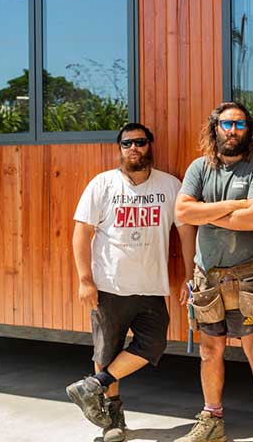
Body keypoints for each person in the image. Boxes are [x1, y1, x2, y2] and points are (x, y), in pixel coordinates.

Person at [66, 123, 196, 442]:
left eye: (139, 142)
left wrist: (191, 274)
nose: (133, 148)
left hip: (151, 287)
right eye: (127, 144)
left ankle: (93, 385)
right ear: (120, 148)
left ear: (150, 145)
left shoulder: (170, 185)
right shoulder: (103, 184)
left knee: (153, 344)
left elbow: (186, 230)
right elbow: (81, 232)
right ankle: (113, 418)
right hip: (109, 286)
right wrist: (85, 280)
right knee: (107, 350)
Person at [174, 102, 253, 442]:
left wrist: (204, 213)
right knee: (209, 351)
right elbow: (182, 211)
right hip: (207, 277)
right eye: (225, 124)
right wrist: (235, 205)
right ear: (214, 128)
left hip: (249, 277)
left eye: (238, 124)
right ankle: (212, 421)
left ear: (247, 129)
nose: (231, 130)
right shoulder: (199, 167)